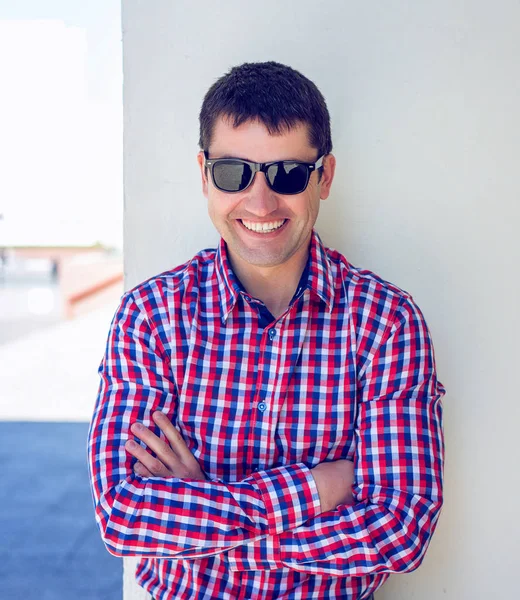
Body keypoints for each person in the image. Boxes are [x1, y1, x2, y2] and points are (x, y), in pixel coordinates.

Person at [88, 61, 446, 600]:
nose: (259, 202)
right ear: (204, 174)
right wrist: (319, 489)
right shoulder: (151, 315)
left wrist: (203, 503)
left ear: (324, 177)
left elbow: (399, 529)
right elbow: (123, 514)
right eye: (234, 172)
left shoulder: (387, 322)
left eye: (287, 174)